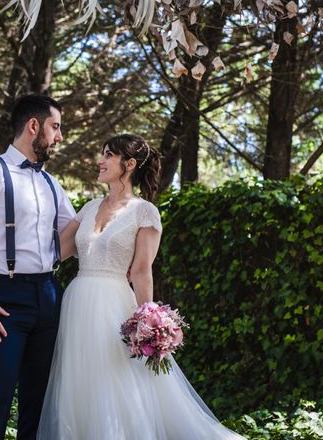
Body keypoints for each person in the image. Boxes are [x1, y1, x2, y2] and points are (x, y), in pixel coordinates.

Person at [37, 134, 246, 439]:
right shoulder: (89, 207)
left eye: (108, 155)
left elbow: (141, 270)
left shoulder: (144, 211)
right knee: (80, 381)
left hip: (113, 304)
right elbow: (56, 250)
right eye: (102, 154)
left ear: (129, 164)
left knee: (113, 379)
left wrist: (147, 319)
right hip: (77, 302)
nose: (101, 161)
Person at [0, 94, 76, 440]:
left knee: (38, 404)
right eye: (56, 127)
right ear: (33, 126)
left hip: (48, 296)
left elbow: (78, 235)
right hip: (3, 298)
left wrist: (117, 211)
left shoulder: (52, 184)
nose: (59, 136)